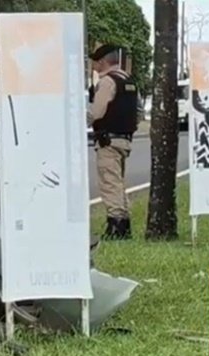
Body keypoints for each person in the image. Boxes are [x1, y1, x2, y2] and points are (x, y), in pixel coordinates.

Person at [89, 44, 139, 240]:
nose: (93, 65)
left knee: (110, 184)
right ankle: (124, 224)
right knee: (118, 183)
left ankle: (116, 227)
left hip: (107, 141)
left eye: (95, 61)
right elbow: (138, 112)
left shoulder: (107, 82)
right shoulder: (129, 81)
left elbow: (96, 112)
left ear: (102, 61)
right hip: (124, 140)